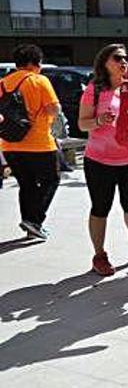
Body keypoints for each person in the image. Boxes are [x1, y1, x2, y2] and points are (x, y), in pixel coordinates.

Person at [78, 44, 128, 276]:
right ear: (105, 62)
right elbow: (82, 123)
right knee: (101, 207)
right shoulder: (95, 89)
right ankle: (99, 255)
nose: (124, 62)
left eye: (126, 58)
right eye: (118, 58)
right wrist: (99, 121)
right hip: (99, 160)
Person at [1, 44, 61, 241]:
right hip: (39, 143)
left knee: (26, 185)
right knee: (51, 179)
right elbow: (53, 109)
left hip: (10, 143)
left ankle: (30, 224)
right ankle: (34, 221)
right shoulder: (39, 80)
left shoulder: (2, 83)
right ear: (35, 62)